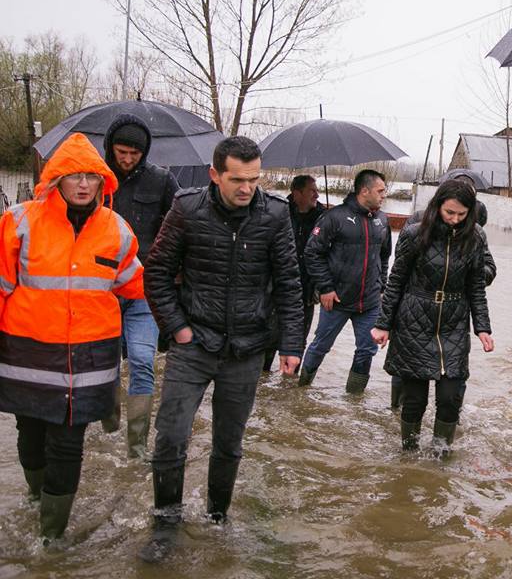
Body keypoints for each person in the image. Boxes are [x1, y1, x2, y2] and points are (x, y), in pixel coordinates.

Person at [140, 136, 303, 562]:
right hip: (193, 343)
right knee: (171, 437)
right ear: (215, 175)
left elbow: (289, 282)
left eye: (254, 179)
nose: (246, 188)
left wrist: (291, 344)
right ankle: (165, 524)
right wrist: (176, 329)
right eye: (237, 179)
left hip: (247, 349)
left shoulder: (274, 215)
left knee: (229, 443)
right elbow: (156, 272)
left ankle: (217, 518)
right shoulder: (187, 208)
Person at [0, 134, 144, 542]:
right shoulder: (19, 222)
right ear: (56, 179)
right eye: (74, 176)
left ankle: (51, 538)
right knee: (30, 434)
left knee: (68, 442)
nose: (83, 184)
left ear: (103, 183)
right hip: (27, 352)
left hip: (88, 356)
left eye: (92, 177)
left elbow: (136, 283)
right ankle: (35, 495)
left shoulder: (116, 229)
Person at [372, 180, 494, 452]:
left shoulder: (474, 238)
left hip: (454, 322)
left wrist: (483, 328)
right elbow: (396, 280)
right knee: (414, 399)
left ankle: (441, 454)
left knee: (451, 397)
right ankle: (409, 451)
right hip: (415, 318)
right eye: (449, 212)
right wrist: (383, 324)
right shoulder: (416, 233)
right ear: (438, 206)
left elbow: (476, 287)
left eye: (462, 215)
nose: (454, 220)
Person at [100, 114, 180, 458]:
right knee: (106, 364)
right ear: (110, 148)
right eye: (121, 152)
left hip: (143, 288)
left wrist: (174, 267)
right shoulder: (95, 180)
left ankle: (136, 447)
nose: (127, 159)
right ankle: (107, 426)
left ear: (144, 152)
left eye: (135, 153)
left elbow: (180, 223)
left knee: (143, 359)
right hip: (100, 289)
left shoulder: (162, 181)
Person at [297, 169, 392, 393]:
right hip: (337, 299)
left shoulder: (382, 220)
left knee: (367, 350)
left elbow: (385, 256)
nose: (384, 195)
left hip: (369, 301)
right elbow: (312, 253)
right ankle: (301, 389)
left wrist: (382, 286)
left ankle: (354, 400)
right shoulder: (335, 217)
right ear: (364, 191)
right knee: (321, 346)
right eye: (380, 191)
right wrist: (325, 287)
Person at [262, 174, 324, 372]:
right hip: (277, 286)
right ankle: (261, 380)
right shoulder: (279, 213)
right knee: (268, 337)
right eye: (311, 191)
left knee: (298, 341)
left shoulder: (323, 218)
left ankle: (288, 385)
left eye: (317, 190)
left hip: (306, 289)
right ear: (296, 193)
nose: (317, 194)